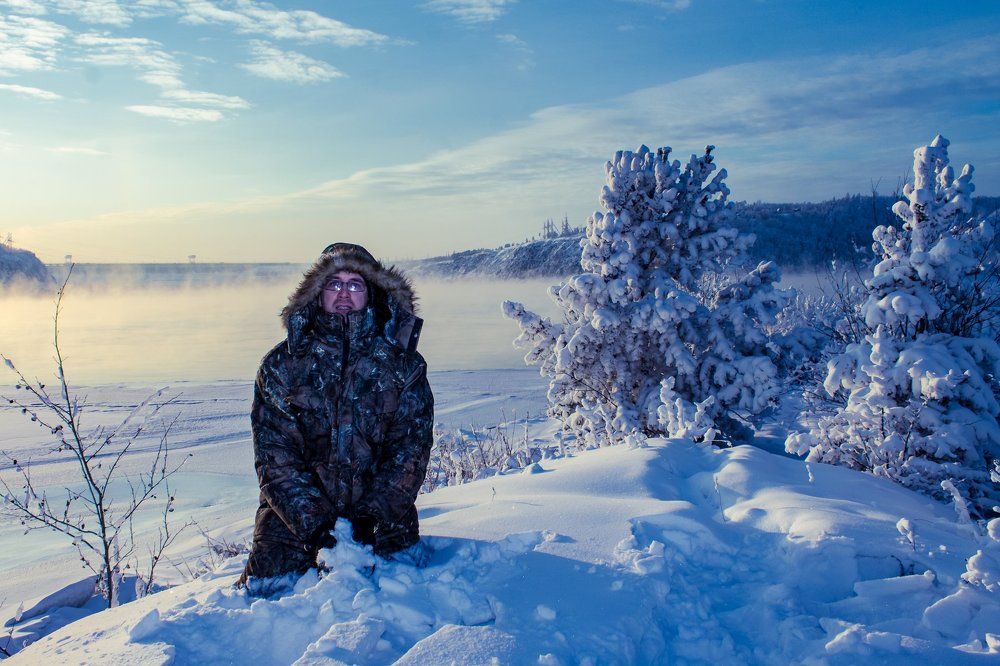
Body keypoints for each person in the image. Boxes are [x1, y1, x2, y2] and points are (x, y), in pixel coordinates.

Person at [238, 243, 434, 589]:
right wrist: (316, 527)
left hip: (386, 530)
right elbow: (275, 459)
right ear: (317, 293)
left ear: (371, 292)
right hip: (290, 534)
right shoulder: (282, 365)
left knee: (400, 617)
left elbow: (410, 452)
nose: (345, 293)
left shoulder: (403, 366)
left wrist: (371, 519)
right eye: (334, 283)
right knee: (272, 623)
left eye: (355, 283)